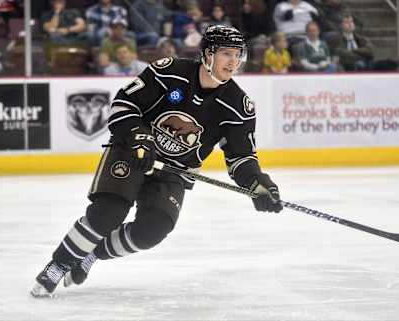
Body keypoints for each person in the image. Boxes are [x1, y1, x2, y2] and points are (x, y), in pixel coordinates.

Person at [30, 24, 283, 297]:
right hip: (132, 150)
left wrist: (258, 183)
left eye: (238, 55)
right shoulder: (168, 71)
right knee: (108, 213)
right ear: (207, 54)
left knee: (153, 229)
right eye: (225, 54)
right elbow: (122, 106)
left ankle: (91, 255)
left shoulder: (238, 105)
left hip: (174, 170)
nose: (233, 62)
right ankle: (57, 265)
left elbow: (241, 157)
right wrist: (139, 135)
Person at [332, 15, 397, 71]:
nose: (350, 24)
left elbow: (370, 51)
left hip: (367, 63)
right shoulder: (337, 39)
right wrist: (361, 55)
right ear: (341, 25)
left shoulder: (361, 38)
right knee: (359, 63)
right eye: (346, 22)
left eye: (351, 22)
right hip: (350, 65)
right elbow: (342, 53)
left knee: (390, 64)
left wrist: (354, 50)